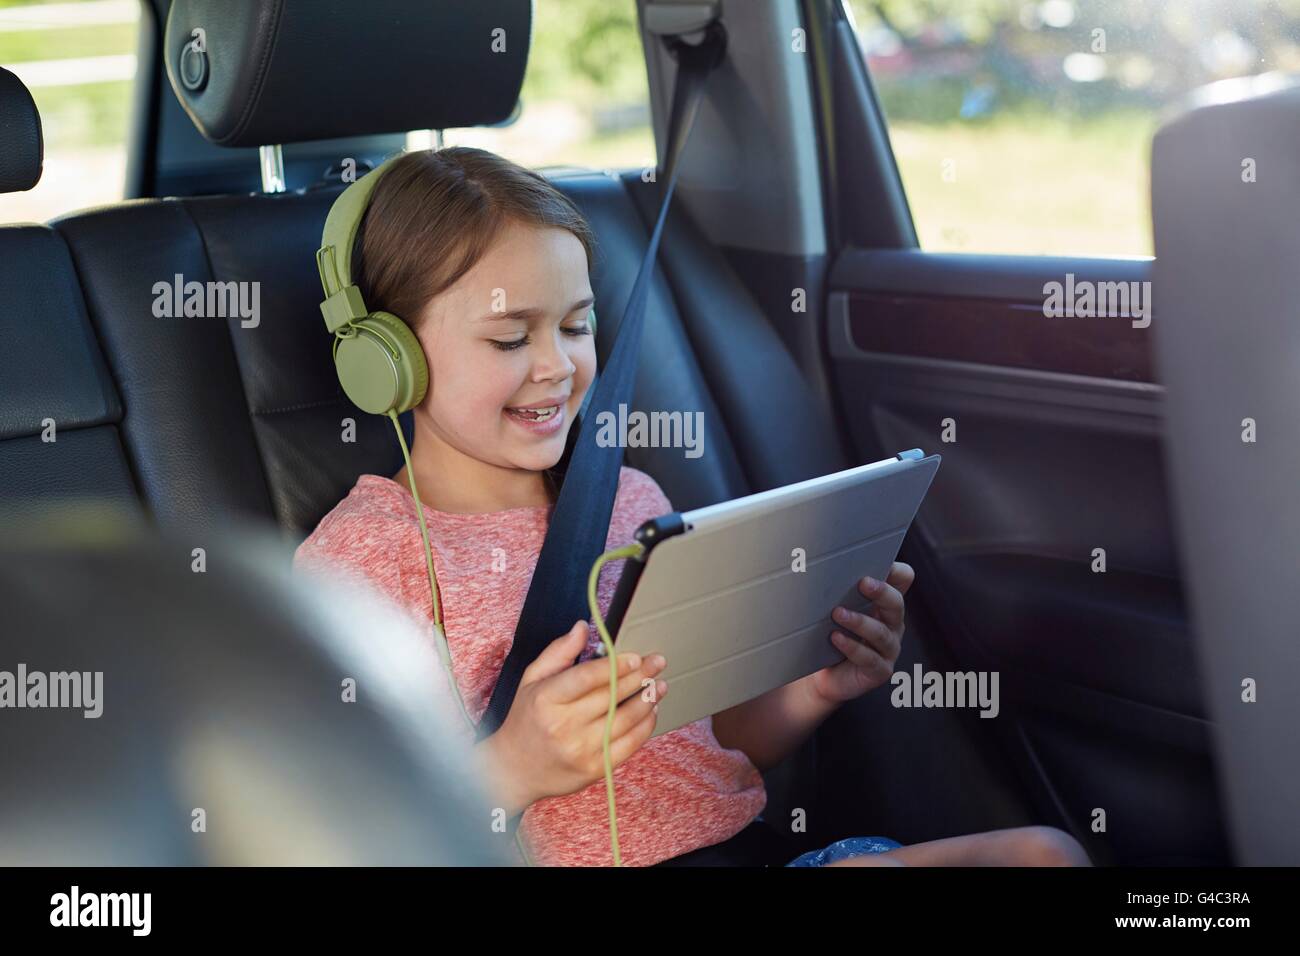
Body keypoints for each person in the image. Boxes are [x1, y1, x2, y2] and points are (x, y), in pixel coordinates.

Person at [294, 146, 1089, 868]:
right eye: (509, 339)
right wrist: (509, 769)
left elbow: (713, 744)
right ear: (384, 356)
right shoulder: (364, 562)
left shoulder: (631, 503)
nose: (557, 367)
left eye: (577, 325)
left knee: (1043, 856)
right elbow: (336, 834)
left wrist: (817, 683)